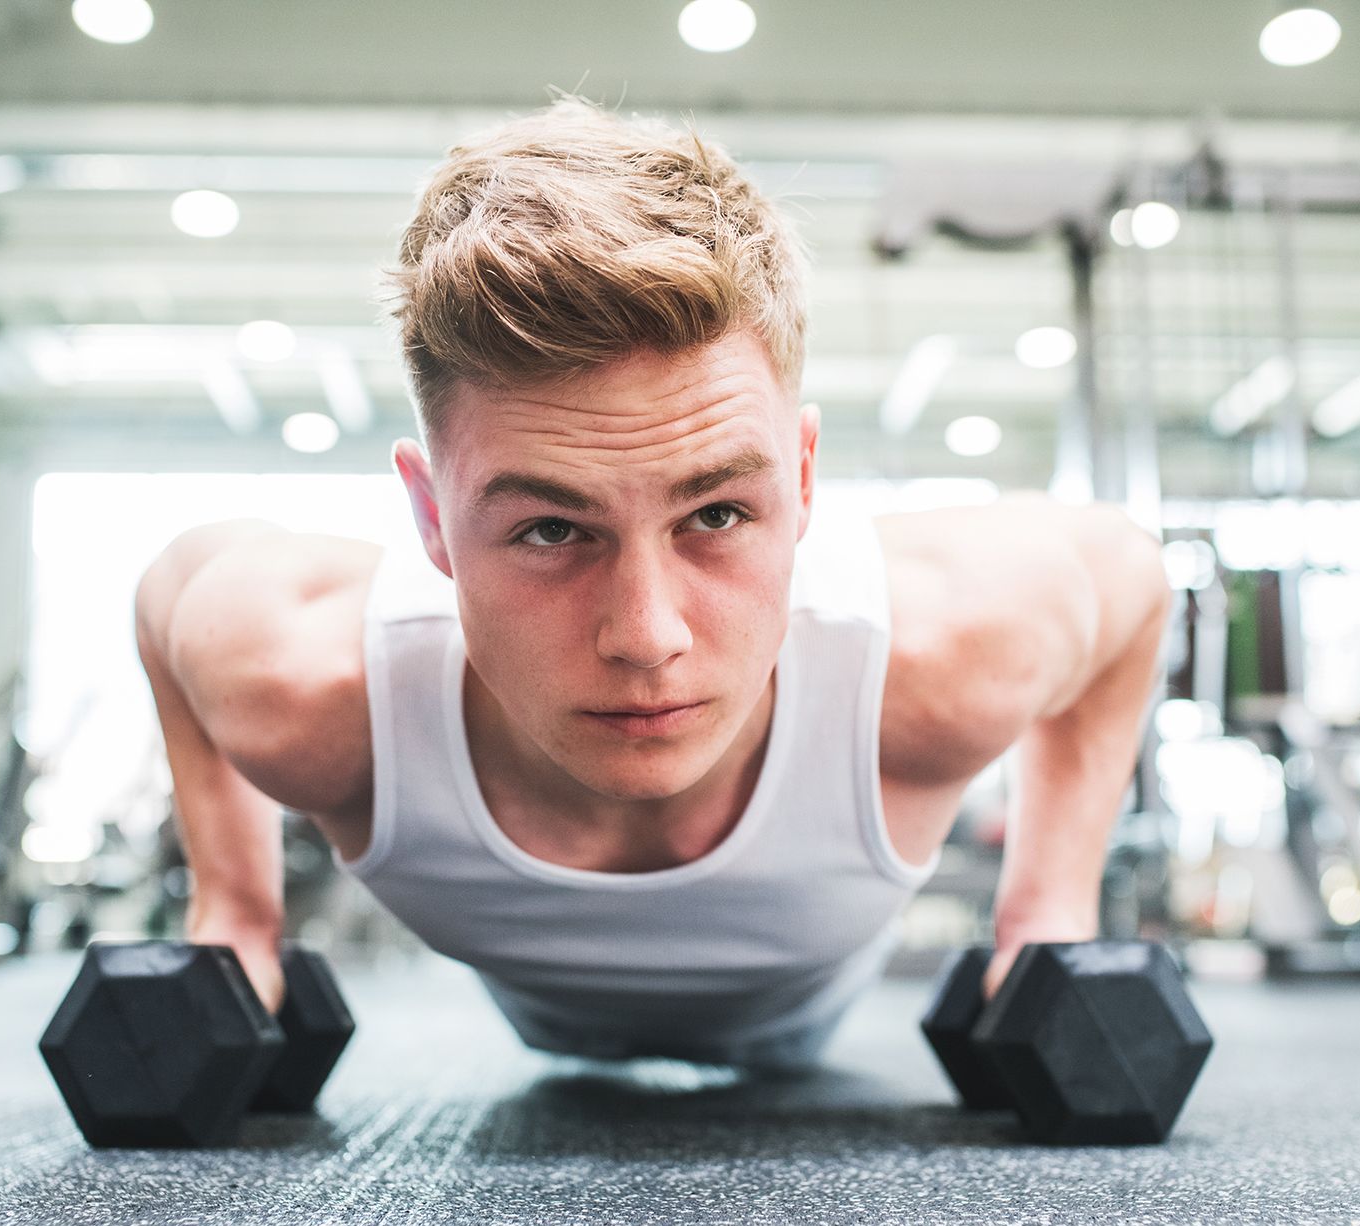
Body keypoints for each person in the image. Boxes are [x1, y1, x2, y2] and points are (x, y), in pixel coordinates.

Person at [133, 98, 1169, 1070]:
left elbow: (1126, 572)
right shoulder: (314, 692)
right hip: (544, 1040)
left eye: (715, 514)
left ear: (801, 482)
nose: (646, 635)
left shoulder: (937, 659)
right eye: (548, 528)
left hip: (805, 1032)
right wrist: (233, 913)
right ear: (429, 521)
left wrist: (1045, 917)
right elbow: (170, 585)